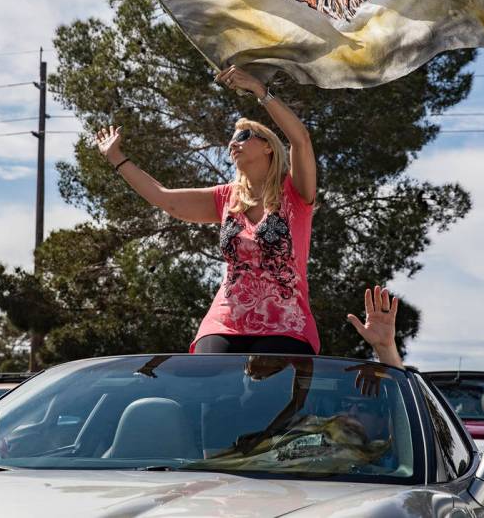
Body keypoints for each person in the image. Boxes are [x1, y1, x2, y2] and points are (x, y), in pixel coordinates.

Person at [96, 65, 318, 355]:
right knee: (207, 382)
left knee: (267, 391)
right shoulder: (227, 197)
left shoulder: (296, 192)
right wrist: (117, 158)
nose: (233, 143)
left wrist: (259, 90)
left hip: (286, 326)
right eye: (231, 139)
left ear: (268, 147)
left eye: (244, 136)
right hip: (226, 322)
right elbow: (165, 199)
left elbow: (300, 139)